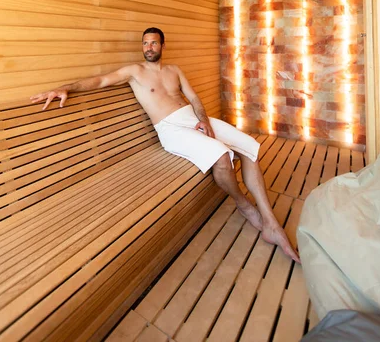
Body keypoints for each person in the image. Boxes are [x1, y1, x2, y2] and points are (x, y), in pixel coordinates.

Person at [31, 27, 299, 262]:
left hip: (193, 119)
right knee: (221, 156)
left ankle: (270, 223)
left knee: (248, 146)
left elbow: (194, 99)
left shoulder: (174, 70)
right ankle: (243, 204)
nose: (149, 47)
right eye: (145, 43)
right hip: (170, 129)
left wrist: (204, 120)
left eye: (154, 43)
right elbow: (100, 80)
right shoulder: (134, 72)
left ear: (162, 45)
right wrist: (66, 87)